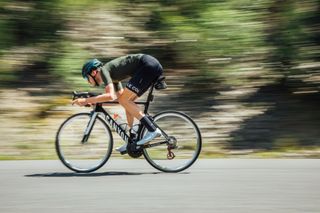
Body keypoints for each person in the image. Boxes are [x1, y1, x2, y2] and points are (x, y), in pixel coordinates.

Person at [72, 54, 163, 153]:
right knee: (127, 101)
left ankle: (152, 129)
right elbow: (117, 99)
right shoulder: (113, 77)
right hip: (150, 65)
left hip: (147, 65)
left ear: (93, 72)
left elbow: (110, 96)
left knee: (126, 101)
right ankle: (132, 140)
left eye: (86, 78)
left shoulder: (104, 71)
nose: (88, 82)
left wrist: (86, 100)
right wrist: (95, 102)